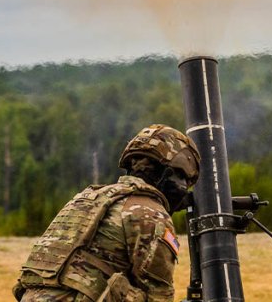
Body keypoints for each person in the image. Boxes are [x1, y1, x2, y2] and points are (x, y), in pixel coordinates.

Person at [13, 125, 200, 302]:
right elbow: (158, 295)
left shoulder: (88, 198)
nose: (183, 189)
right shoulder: (151, 214)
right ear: (169, 174)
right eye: (183, 180)